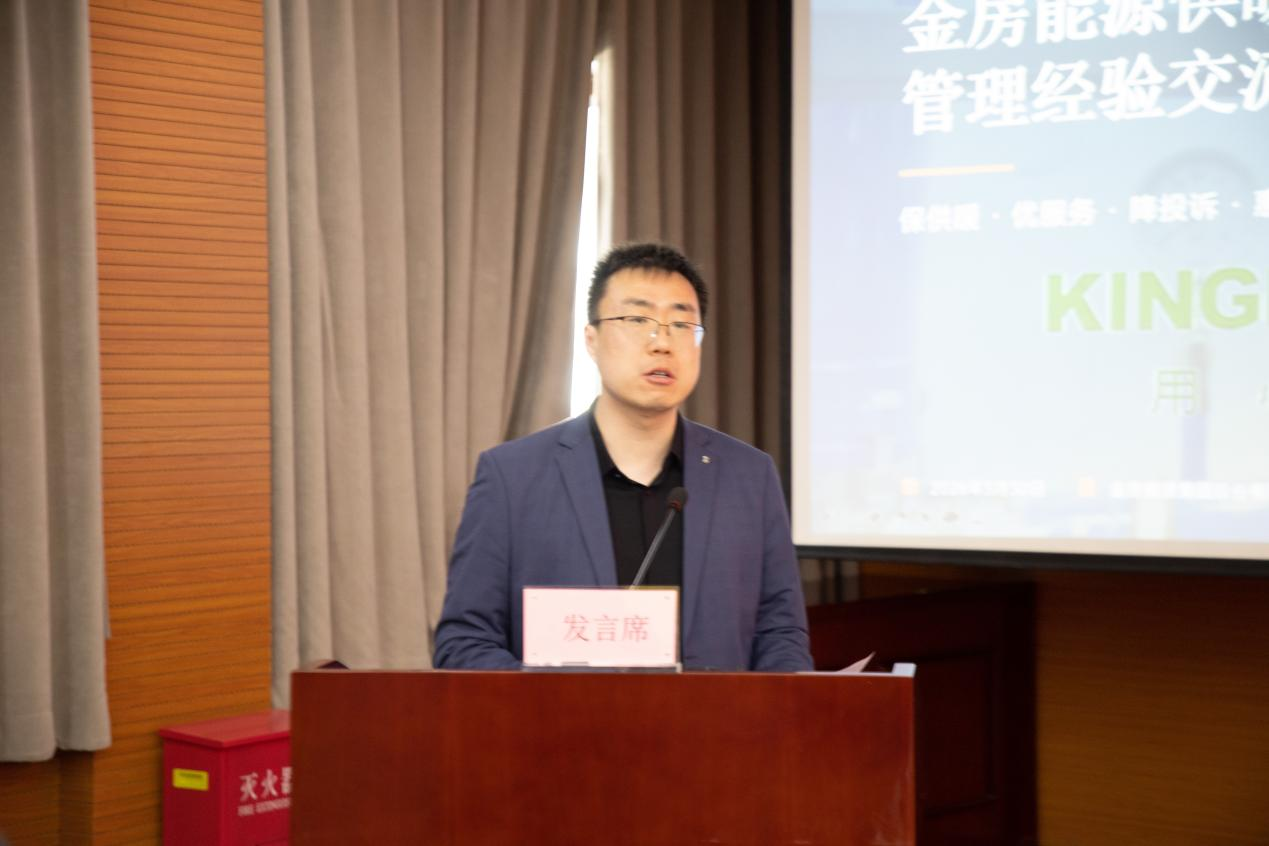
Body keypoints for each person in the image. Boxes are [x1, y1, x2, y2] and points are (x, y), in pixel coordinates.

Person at [433, 243, 812, 671]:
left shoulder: (749, 476)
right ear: (591, 340)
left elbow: (781, 634)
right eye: (637, 320)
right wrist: (555, 698)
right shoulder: (512, 477)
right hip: (562, 717)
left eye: (682, 324)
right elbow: (464, 643)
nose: (662, 342)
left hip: (718, 718)